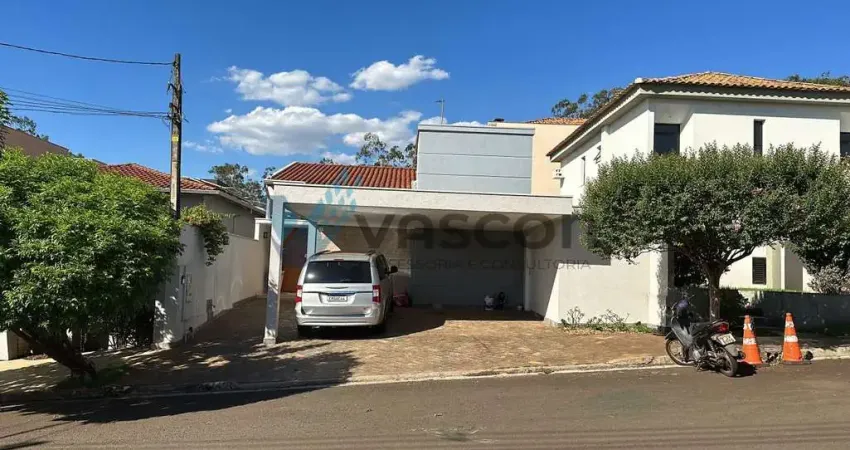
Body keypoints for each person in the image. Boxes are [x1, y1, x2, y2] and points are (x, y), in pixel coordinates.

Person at [673, 297, 695, 362]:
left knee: (685, 341)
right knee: (687, 340)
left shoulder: (679, 305)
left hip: (682, 325)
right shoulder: (684, 305)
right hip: (685, 325)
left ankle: (686, 357)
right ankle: (686, 356)